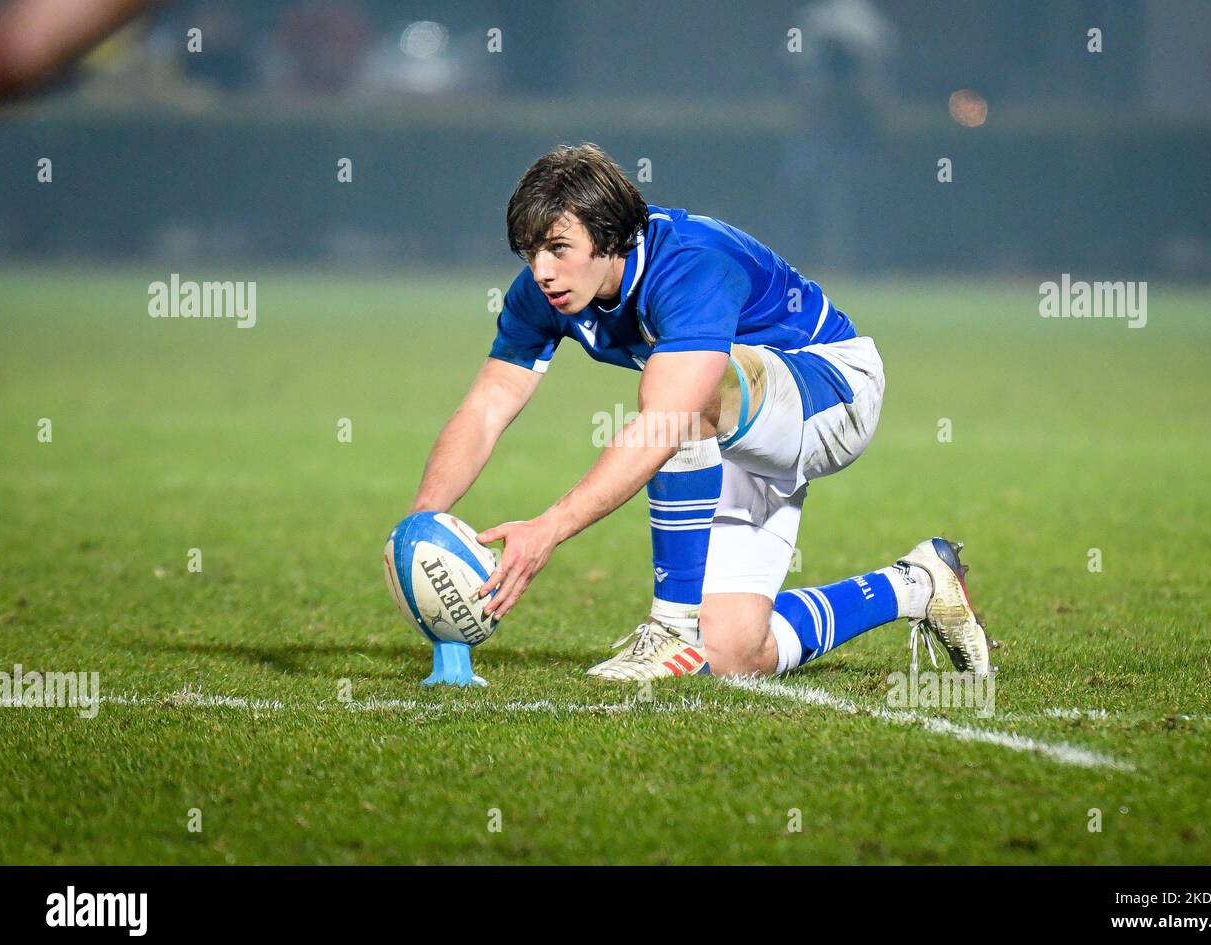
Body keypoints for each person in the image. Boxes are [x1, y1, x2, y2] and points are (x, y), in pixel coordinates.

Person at [411, 143, 993, 681]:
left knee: (684, 404)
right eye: (531, 252)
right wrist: (420, 527)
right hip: (735, 427)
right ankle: (916, 584)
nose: (542, 270)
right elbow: (488, 404)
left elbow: (670, 420)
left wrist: (547, 531)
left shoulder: (691, 262)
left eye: (558, 248)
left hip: (834, 392)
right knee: (735, 653)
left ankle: (671, 628)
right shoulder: (544, 291)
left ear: (609, 236)